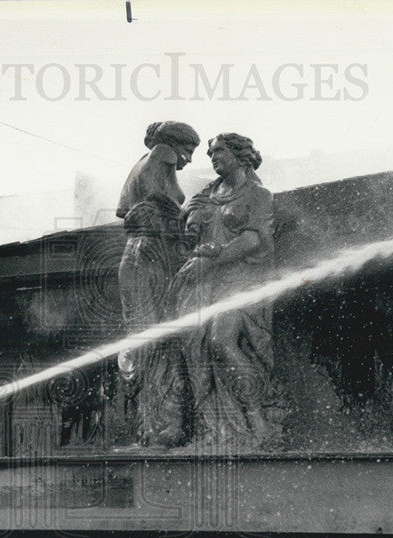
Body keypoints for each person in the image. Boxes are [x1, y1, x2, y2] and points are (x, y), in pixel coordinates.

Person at [173, 133, 275, 447]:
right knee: (196, 351)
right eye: (211, 153)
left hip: (240, 280)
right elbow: (186, 233)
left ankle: (257, 417)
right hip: (203, 282)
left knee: (221, 341)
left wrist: (213, 260)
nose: (213, 157)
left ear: (241, 155)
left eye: (219, 152)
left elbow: (253, 240)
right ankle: (212, 430)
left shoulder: (258, 194)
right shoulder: (205, 195)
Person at [116, 121, 200, 447]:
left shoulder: (141, 166)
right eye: (188, 151)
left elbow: (125, 209)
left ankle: (155, 425)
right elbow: (166, 216)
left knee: (153, 337)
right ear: (170, 145)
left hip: (140, 254)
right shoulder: (161, 156)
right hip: (152, 255)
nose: (189, 160)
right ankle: (163, 426)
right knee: (161, 339)